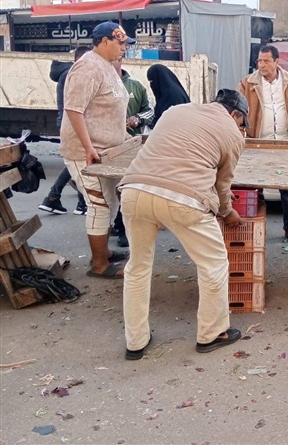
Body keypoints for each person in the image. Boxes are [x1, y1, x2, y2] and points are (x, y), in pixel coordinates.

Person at [119, 89, 248, 360]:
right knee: (213, 264)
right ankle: (212, 334)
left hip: (134, 190)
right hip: (184, 199)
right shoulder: (233, 133)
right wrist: (228, 212)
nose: (240, 127)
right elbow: (223, 184)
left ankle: (135, 342)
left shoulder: (176, 110)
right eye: (241, 122)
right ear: (235, 114)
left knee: (138, 267)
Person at [60, 21, 134, 279]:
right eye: (120, 43)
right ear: (104, 41)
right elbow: (74, 109)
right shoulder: (88, 67)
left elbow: (110, 108)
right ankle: (99, 264)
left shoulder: (107, 66)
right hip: (86, 153)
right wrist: (88, 146)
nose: (124, 48)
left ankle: (103, 251)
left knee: (110, 203)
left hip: (107, 152)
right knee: (99, 205)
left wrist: (124, 136)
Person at [238, 45, 288, 244]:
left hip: (285, 143)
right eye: (259, 61)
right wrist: (240, 137)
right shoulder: (248, 83)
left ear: (277, 62)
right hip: (257, 143)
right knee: (255, 188)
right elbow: (237, 112)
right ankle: (253, 229)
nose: (261, 65)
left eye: (266, 61)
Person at [38, 46, 91, 216]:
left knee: (77, 162)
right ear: (80, 59)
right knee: (79, 161)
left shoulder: (69, 73)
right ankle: (77, 203)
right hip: (72, 124)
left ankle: (54, 198)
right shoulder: (71, 74)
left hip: (70, 123)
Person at [111, 59, 155, 248]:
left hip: (131, 147)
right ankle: (112, 226)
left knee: (127, 187)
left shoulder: (135, 86)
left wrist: (137, 118)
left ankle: (123, 230)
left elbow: (149, 111)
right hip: (106, 147)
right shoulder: (97, 84)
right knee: (108, 192)